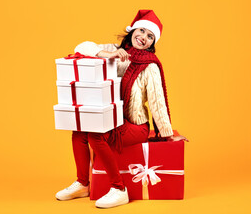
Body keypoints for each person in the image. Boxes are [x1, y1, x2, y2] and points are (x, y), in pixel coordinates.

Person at [55, 10, 188, 208]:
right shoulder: (116, 51)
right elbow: (82, 47)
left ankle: (119, 189)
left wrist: (167, 135)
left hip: (135, 125)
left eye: (150, 36)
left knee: (96, 135)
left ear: (153, 43)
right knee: (79, 130)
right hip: (113, 118)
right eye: (141, 31)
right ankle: (83, 184)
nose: (143, 37)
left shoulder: (149, 66)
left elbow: (157, 102)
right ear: (133, 30)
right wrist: (107, 54)